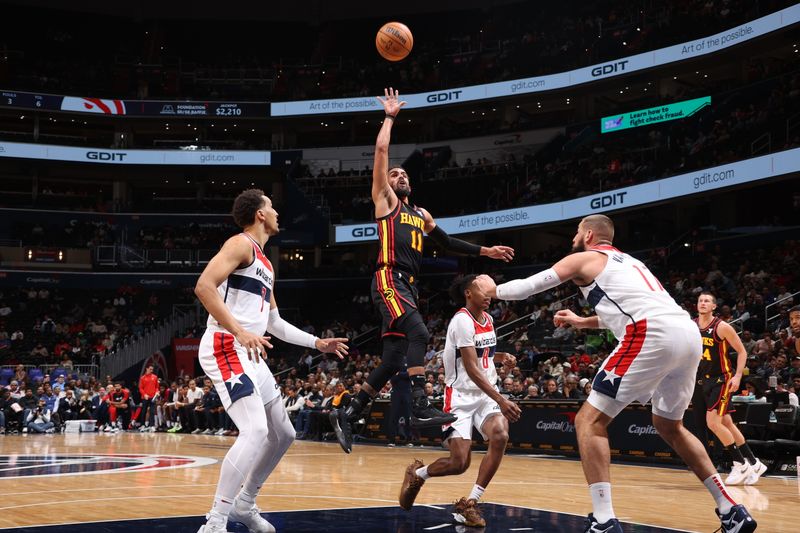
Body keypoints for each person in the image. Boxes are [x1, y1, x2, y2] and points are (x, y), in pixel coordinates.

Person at [477, 214, 756, 533]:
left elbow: (531, 286)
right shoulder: (633, 263)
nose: (572, 239)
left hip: (651, 333)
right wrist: (583, 322)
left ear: (590, 235)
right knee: (670, 426)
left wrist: (493, 289)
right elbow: (630, 310)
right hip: (687, 333)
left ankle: (604, 519)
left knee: (588, 420)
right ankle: (731, 509)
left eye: (576, 233)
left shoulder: (583, 258)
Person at [330, 88, 515, 454]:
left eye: (402, 174)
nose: (398, 176)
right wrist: (389, 117)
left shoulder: (421, 214)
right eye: (394, 174)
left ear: (410, 183)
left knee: (393, 359)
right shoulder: (386, 202)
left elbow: (446, 242)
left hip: (407, 285)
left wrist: (485, 250)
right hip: (388, 277)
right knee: (419, 331)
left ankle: (350, 412)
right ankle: (418, 401)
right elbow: (382, 153)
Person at [194, 188, 349, 533]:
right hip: (225, 343)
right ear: (260, 214)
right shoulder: (240, 244)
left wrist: (317, 343)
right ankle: (215, 521)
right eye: (272, 207)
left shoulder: (265, 263)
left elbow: (274, 324)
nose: (277, 212)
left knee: (284, 433)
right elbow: (204, 286)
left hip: (248, 350)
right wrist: (240, 331)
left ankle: (245, 504)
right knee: (255, 430)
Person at [399, 275, 521, 527]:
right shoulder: (461, 321)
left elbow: (482, 355)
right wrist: (502, 399)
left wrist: (502, 357)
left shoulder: (487, 319)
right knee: (459, 463)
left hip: (484, 395)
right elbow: (471, 368)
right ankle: (418, 474)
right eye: (482, 290)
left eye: (490, 291)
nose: (489, 294)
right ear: (468, 293)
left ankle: (471, 503)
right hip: (461, 397)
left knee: (500, 435)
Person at [693, 292, 766, 485]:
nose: (703, 303)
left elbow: (742, 351)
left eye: (707, 301)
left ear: (714, 306)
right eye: (700, 300)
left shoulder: (721, 327)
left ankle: (739, 463)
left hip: (722, 380)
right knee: (727, 423)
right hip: (704, 380)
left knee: (713, 422)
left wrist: (738, 376)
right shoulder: (692, 326)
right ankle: (754, 462)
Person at [138, 365, 159, 432]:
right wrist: (144, 394)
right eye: (150, 369)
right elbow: (140, 388)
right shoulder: (142, 378)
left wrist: (157, 392)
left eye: (152, 369)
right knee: (143, 411)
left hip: (153, 397)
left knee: (152, 411)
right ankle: (142, 425)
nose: (151, 370)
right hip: (145, 397)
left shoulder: (155, 377)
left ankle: (152, 426)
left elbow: (157, 387)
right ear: (146, 369)